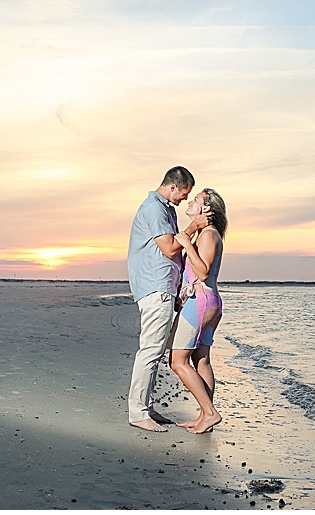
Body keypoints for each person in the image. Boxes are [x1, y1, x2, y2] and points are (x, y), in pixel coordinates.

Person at [126, 166, 211, 432]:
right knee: (150, 351)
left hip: (163, 288)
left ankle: (146, 408)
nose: (186, 199)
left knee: (155, 351)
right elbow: (169, 248)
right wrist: (194, 226)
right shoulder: (154, 208)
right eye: (185, 193)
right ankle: (138, 413)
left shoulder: (165, 210)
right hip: (155, 287)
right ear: (173, 186)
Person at [169, 188, 228, 434]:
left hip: (201, 302)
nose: (190, 202)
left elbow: (202, 273)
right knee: (201, 359)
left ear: (206, 209)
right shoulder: (208, 234)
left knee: (178, 361)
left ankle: (211, 413)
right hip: (209, 301)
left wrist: (185, 243)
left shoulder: (208, 235)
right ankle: (206, 415)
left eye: (196, 200)